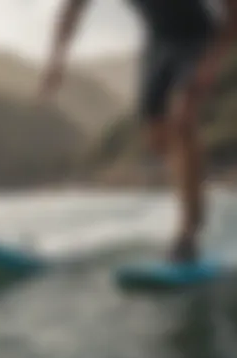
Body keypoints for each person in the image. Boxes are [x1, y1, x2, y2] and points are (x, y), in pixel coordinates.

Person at [39, 0, 237, 263]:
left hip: (198, 39)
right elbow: (72, 10)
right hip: (158, 46)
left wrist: (213, 61)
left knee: (181, 118)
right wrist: (57, 59)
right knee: (158, 139)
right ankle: (195, 190)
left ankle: (188, 234)